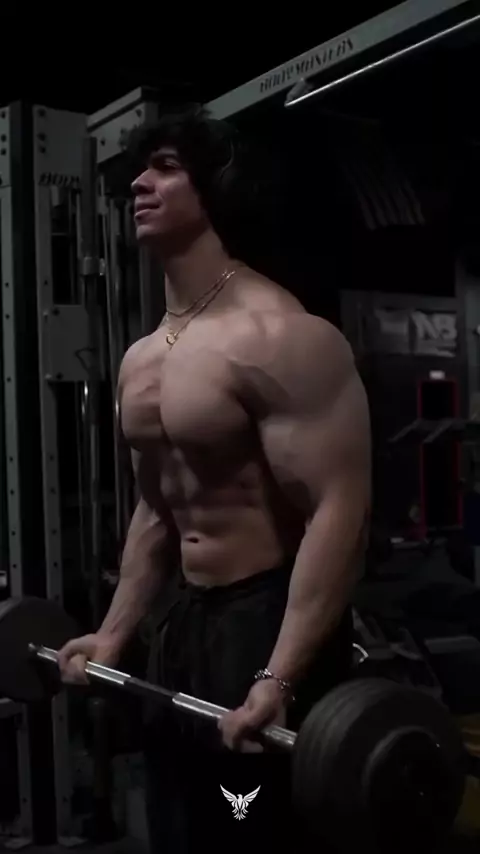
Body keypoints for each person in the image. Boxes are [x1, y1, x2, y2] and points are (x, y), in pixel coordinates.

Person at [57, 105, 371, 853]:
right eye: (141, 169)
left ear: (216, 188)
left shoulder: (281, 335)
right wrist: (114, 633)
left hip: (268, 618)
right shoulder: (141, 358)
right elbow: (157, 508)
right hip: (186, 620)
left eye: (165, 168)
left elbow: (339, 510)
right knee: (180, 823)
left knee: (253, 830)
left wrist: (280, 677)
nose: (139, 183)